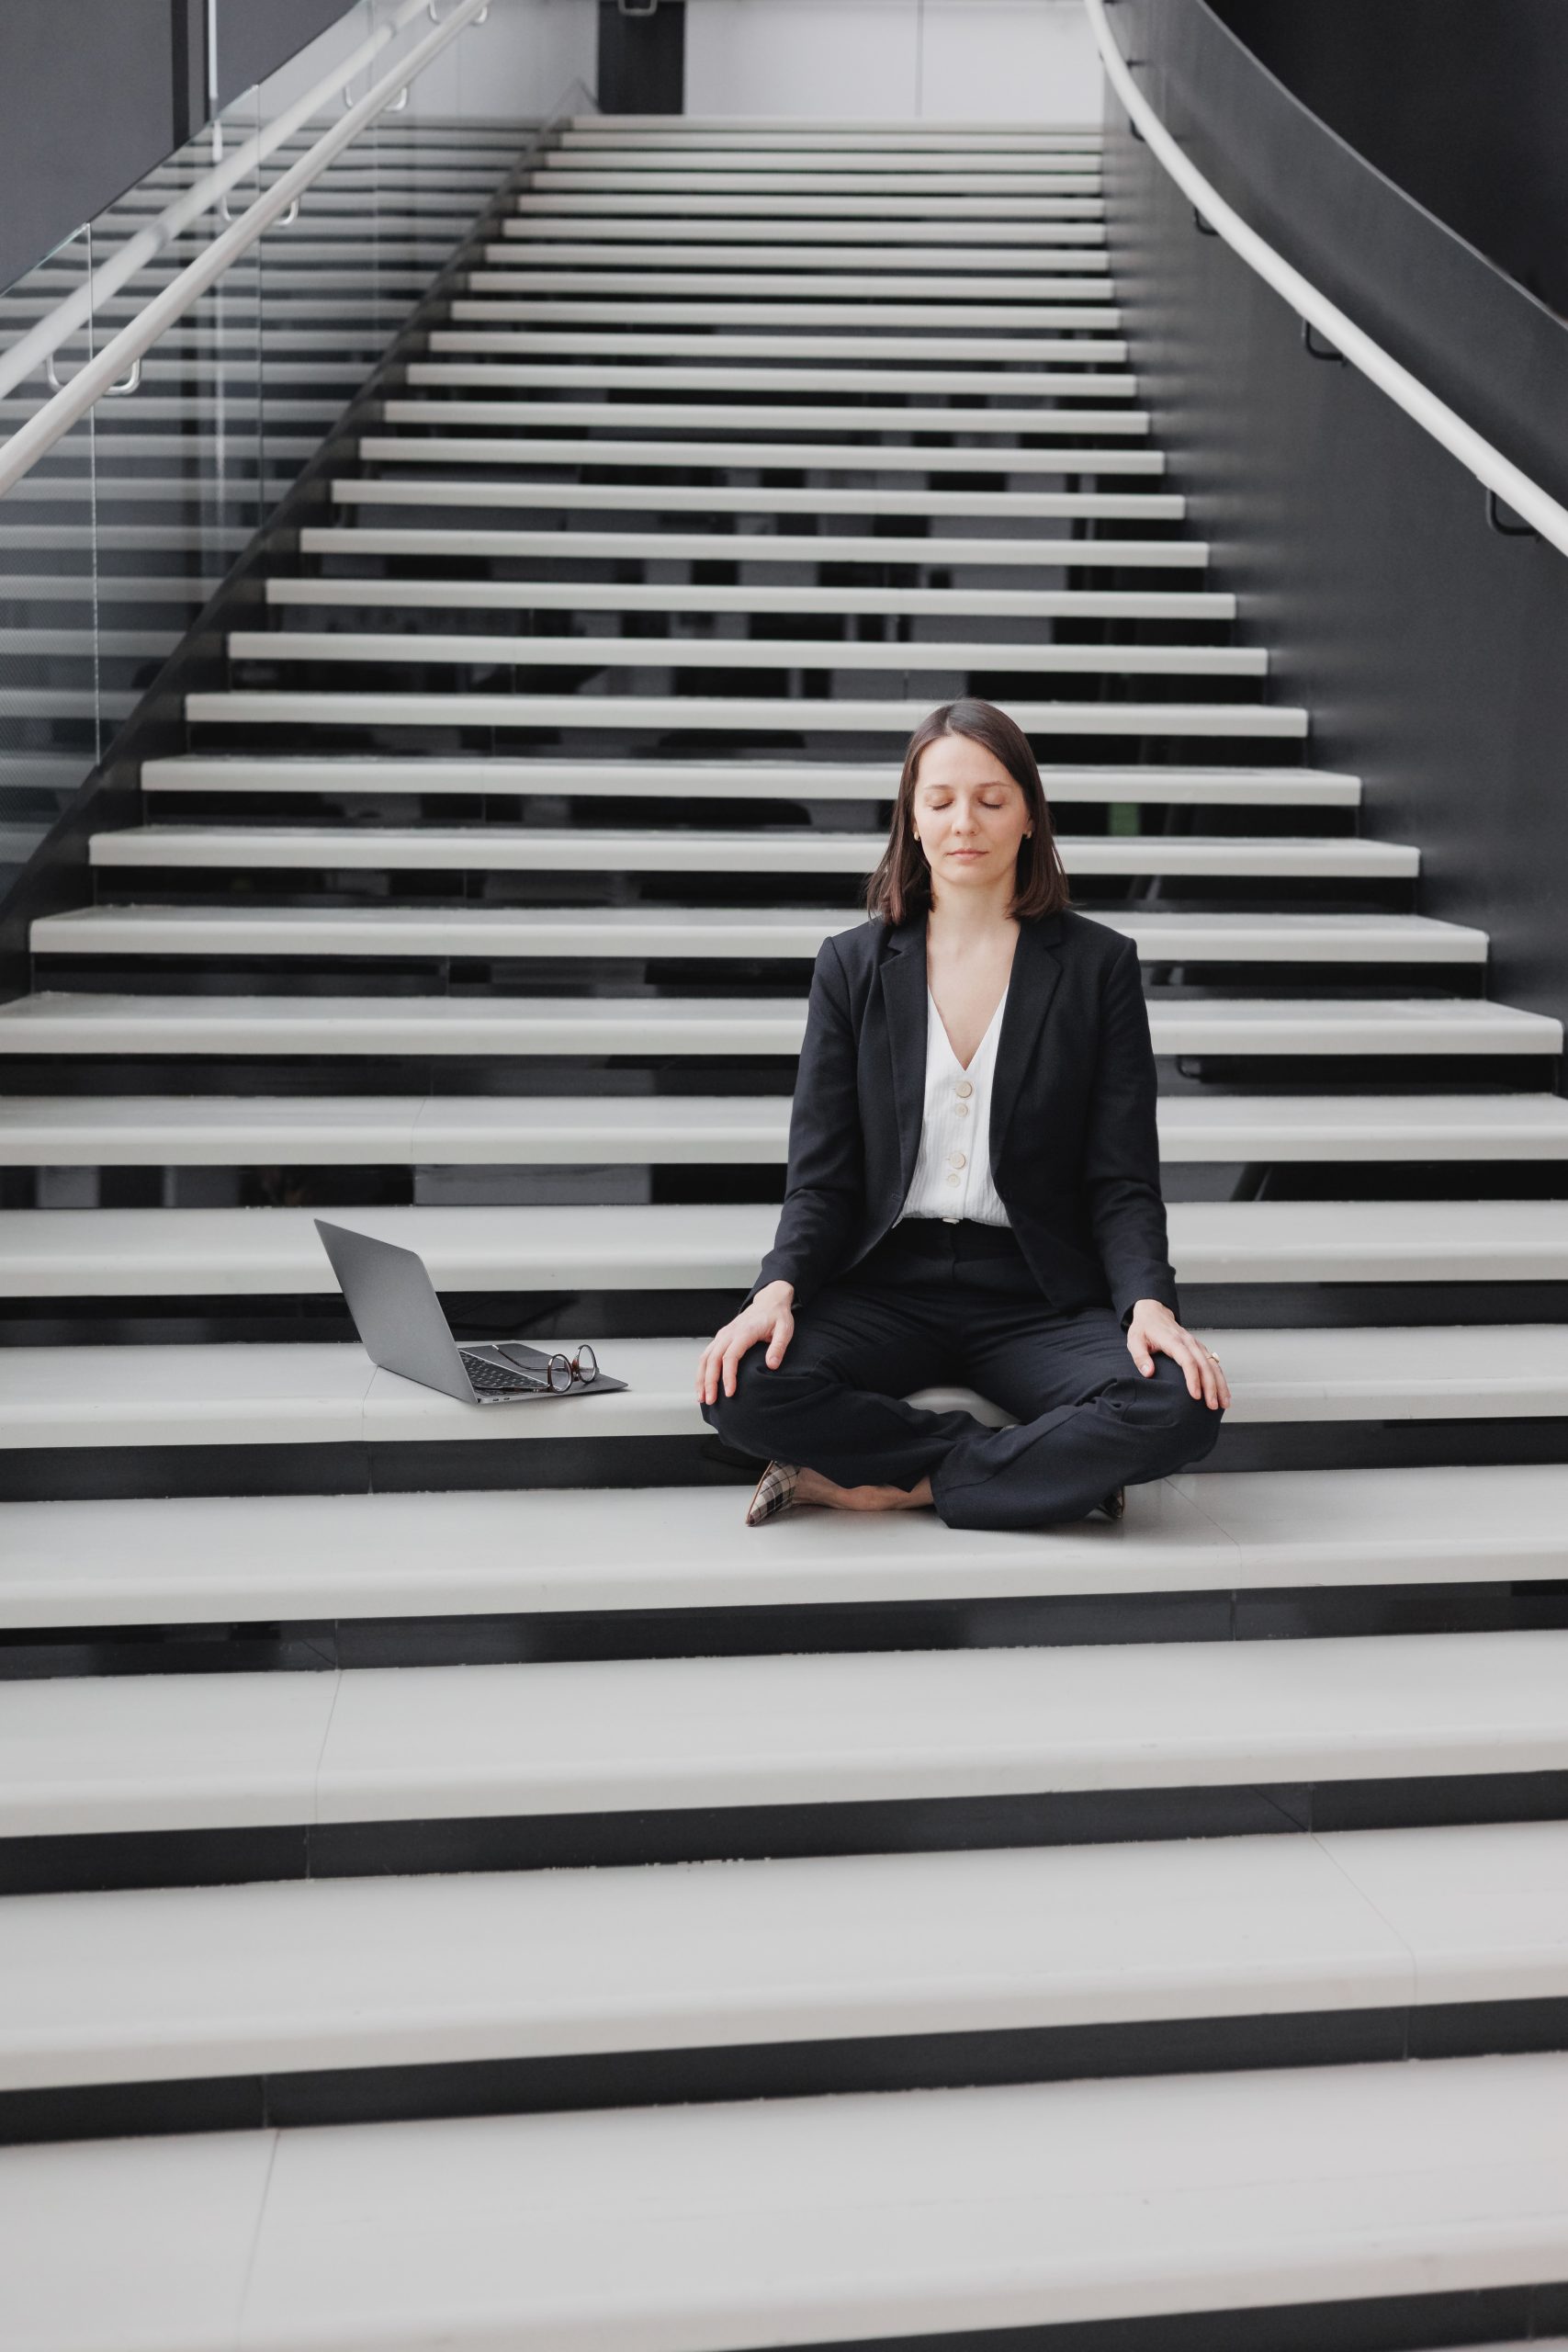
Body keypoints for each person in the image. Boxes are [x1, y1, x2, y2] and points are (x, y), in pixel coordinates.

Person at [696, 696, 1229, 1531]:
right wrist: (776, 1289)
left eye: (991, 799)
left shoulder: (1097, 967)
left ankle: (890, 1485)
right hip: (886, 1284)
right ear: (910, 820)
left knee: (1179, 1404)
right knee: (742, 1388)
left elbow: (1120, 1179)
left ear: (1027, 816)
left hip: (1034, 1292)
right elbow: (823, 1177)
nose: (963, 823)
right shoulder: (852, 966)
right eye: (939, 801)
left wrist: (1148, 1305)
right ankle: (1045, 1465)